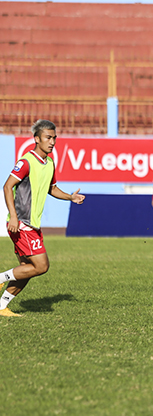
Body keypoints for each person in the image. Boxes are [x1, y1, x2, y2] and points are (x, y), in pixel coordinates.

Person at [0, 119, 86, 317]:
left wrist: (70, 197)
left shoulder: (49, 163)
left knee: (27, 269)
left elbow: (52, 189)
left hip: (33, 225)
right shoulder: (26, 162)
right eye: (48, 137)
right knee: (41, 266)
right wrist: (13, 216)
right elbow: (7, 186)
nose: (53, 141)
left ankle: (2, 306)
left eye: (54, 138)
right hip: (21, 223)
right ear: (37, 139)